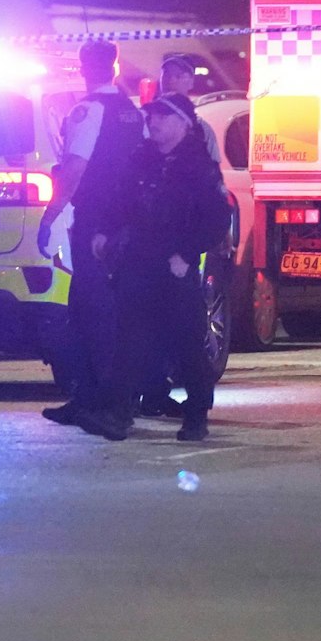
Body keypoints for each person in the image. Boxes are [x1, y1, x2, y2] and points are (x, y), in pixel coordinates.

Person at [81, 94, 232, 442]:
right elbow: (117, 203)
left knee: (187, 343)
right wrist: (103, 232)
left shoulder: (199, 168)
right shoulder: (141, 160)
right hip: (138, 262)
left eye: (163, 117)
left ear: (184, 124)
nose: (154, 123)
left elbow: (216, 219)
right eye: (151, 117)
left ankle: (196, 416)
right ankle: (117, 414)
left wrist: (187, 254)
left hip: (174, 267)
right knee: (130, 340)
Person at [37, 40, 145, 429]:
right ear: (113, 68)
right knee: (106, 313)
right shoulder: (131, 112)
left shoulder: (88, 110)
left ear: (85, 69)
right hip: (125, 223)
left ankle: (102, 403)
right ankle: (90, 399)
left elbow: (75, 169)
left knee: (90, 313)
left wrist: (50, 215)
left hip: (95, 220)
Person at [140, 53, 231, 420]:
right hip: (151, 253)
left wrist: (194, 248)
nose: (171, 79)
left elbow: (213, 201)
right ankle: (148, 395)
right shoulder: (149, 136)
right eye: (167, 74)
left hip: (184, 252)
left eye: (179, 75)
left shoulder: (198, 139)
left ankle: (197, 407)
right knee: (144, 330)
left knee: (187, 330)